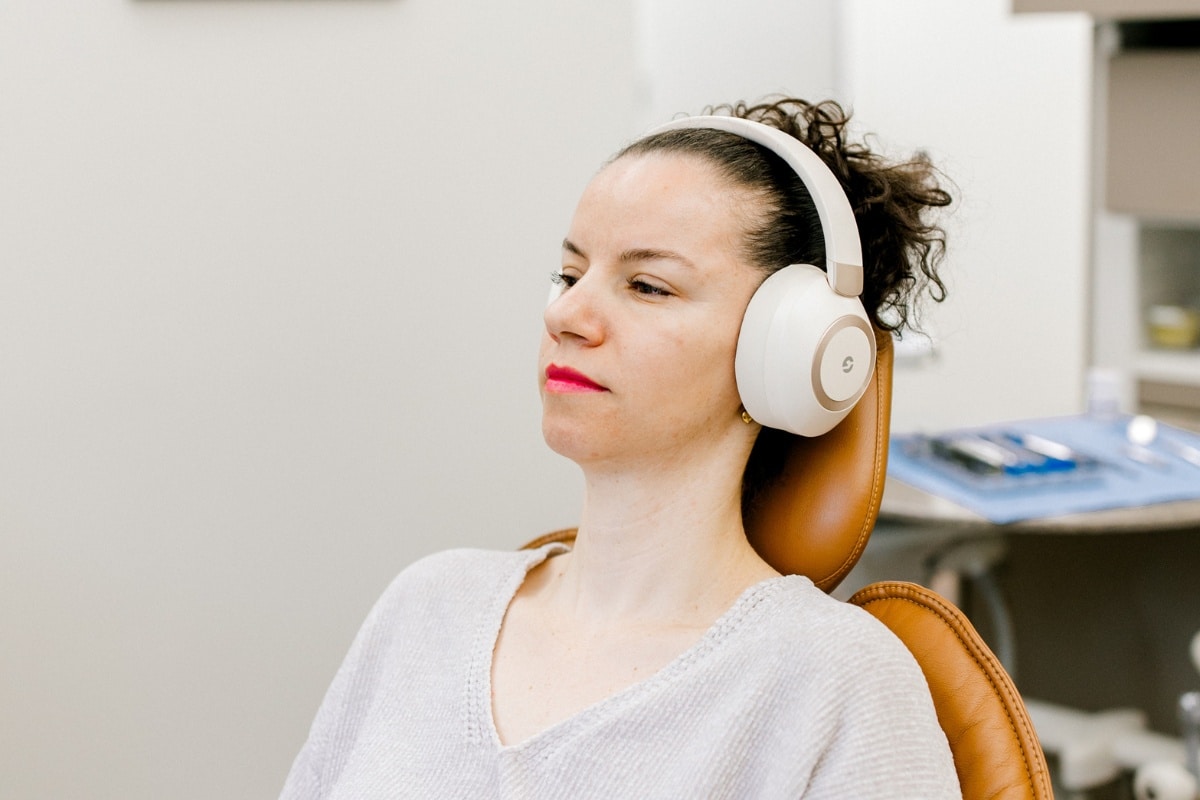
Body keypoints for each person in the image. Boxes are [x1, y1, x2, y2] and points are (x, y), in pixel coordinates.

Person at [280, 97, 960, 799]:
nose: (566, 315)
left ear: (785, 351)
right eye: (569, 275)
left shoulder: (833, 682)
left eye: (647, 285)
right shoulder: (428, 606)